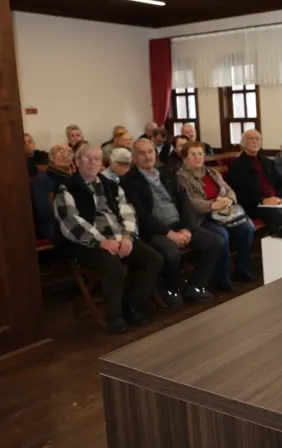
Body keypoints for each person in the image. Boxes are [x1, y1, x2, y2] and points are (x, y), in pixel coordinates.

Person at [53, 145, 163, 333]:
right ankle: (115, 317)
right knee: (113, 267)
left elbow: (127, 212)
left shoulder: (111, 185)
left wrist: (128, 237)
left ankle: (132, 305)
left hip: (120, 237)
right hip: (87, 245)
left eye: (96, 159)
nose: (92, 162)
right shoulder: (66, 188)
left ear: (101, 164)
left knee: (154, 260)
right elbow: (72, 222)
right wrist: (101, 242)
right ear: (77, 162)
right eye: (87, 158)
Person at [121, 139, 221, 306]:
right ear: (134, 158)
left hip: (179, 225)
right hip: (154, 230)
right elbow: (141, 216)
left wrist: (186, 228)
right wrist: (169, 234)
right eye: (142, 153)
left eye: (150, 152)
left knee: (214, 241)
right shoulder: (129, 181)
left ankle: (196, 286)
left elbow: (184, 202)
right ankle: (170, 289)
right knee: (171, 252)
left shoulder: (166, 174)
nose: (147, 156)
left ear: (155, 154)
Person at [178, 140, 255, 291]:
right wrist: (212, 205)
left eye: (200, 154)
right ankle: (222, 278)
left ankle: (242, 270)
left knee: (246, 228)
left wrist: (228, 200)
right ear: (185, 158)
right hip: (202, 217)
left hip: (223, 212)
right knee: (222, 235)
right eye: (193, 154)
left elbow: (229, 190)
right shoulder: (181, 177)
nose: (198, 157)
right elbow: (189, 201)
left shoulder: (213, 173)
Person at [224, 129, 282, 234]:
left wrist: (281, 198)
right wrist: (262, 200)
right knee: (277, 214)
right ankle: (273, 242)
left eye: (257, 139)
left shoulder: (267, 161)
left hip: (275, 201)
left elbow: (281, 183)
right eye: (251, 139)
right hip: (253, 204)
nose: (255, 141)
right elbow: (238, 192)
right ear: (243, 143)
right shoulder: (236, 165)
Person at [31, 144, 74, 239]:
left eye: (69, 152)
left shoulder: (76, 177)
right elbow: (45, 212)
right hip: (55, 226)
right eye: (60, 151)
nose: (65, 155)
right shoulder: (41, 180)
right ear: (51, 157)